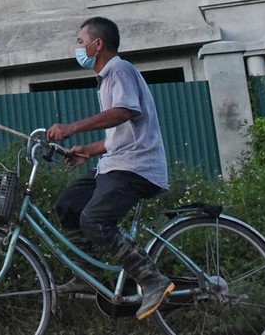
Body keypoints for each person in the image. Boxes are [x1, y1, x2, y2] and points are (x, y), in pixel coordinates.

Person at [46, 16, 174, 320]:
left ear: (97, 44)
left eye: (81, 42)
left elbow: (125, 112)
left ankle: (152, 279)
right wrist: (88, 151)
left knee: (94, 219)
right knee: (68, 204)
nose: (78, 48)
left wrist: (72, 128)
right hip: (116, 164)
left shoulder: (119, 69)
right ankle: (86, 276)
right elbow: (121, 134)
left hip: (137, 167)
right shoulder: (107, 78)